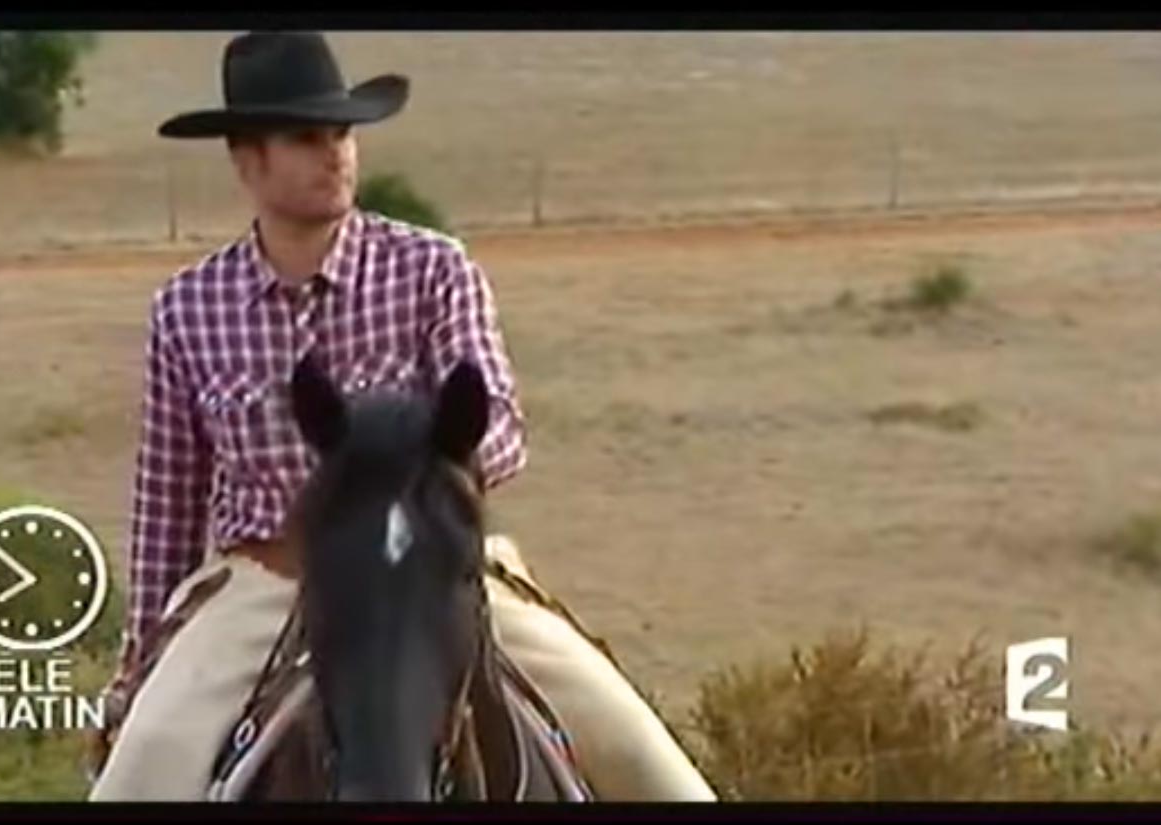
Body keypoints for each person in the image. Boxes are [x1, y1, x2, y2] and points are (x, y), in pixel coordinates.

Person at [87, 30, 716, 802]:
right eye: (306, 138)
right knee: (138, 772)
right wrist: (136, 672)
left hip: (432, 570)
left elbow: (504, 427)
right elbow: (166, 511)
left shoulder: (433, 270)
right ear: (248, 161)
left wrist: (433, 453)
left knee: (659, 771)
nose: (336, 155)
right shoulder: (186, 311)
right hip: (266, 583)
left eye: (343, 133)